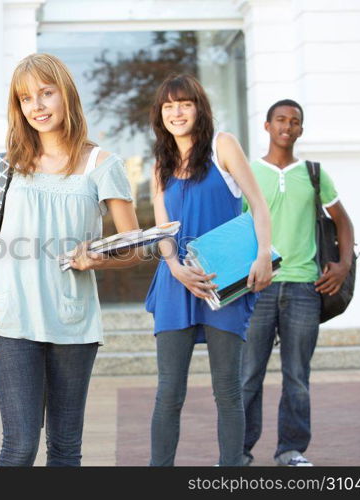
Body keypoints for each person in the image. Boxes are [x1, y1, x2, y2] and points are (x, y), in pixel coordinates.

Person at [0, 53, 142, 466]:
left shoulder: (103, 164)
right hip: (11, 321)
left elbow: (136, 245)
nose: (37, 106)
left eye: (46, 93)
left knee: (64, 449)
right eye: (26, 99)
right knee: (19, 446)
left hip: (73, 323)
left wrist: (98, 258)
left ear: (67, 95)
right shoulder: (5, 165)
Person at [145, 74, 274, 466]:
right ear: (160, 115)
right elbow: (162, 231)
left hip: (225, 278)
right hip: (175, 284)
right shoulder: (159, 164)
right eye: (168, 106)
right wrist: (174, 268)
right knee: (169, 392)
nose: (177, 112)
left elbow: (258, 205)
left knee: (227, 391)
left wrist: (264, 255)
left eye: (184, 103)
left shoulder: (223, 146)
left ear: (199, 107)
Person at [241, 99, 354, 467]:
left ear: (300, 130)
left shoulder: (314, 173)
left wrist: (343, 265)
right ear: (267, 126)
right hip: (258, 287)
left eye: (294, 121)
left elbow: (343, 221)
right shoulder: (249, 172)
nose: (287, 126)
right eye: (280, 120)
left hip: (305, 287)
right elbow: (239, 229)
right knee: (247, 375)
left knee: (297, 377)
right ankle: (238, 451)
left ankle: (290, 450)